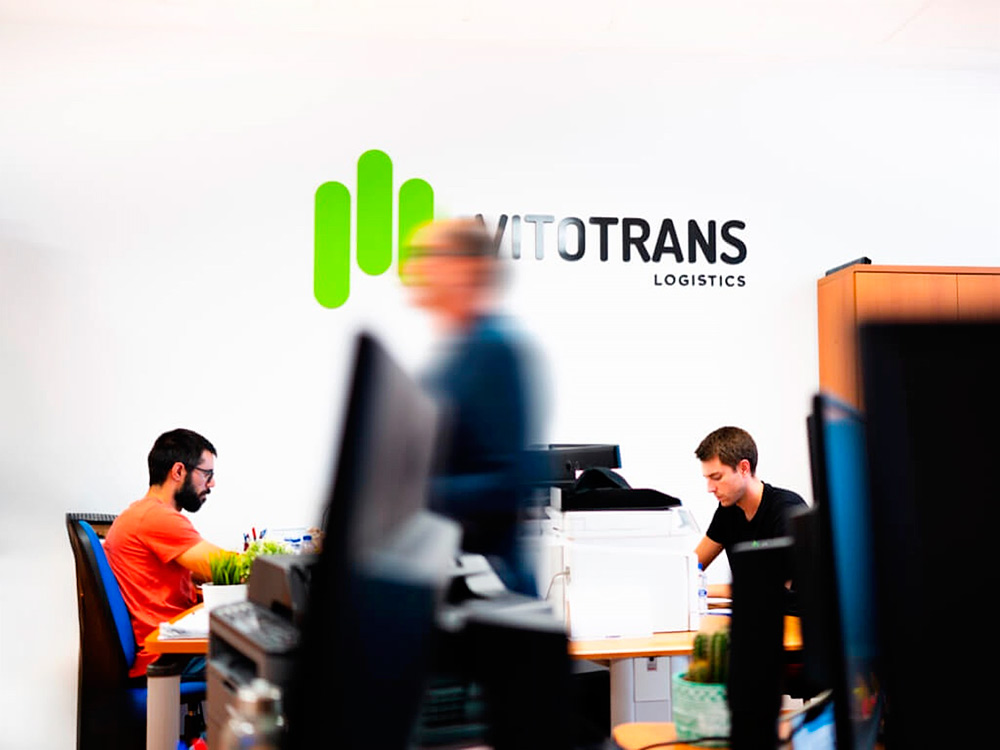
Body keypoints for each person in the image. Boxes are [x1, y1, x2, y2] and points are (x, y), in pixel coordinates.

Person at [403, 216, 540, 597]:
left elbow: (511, 481)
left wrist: (411, 494)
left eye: (429, 255)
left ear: (466, 268)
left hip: (491, 583)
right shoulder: (456, 354)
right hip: (460, 574)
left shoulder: (492, 349)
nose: (416, 267)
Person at [104, 428, 227, 678]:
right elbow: (223, 567)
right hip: (168, 655)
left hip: (170, 646)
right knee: (275, 661)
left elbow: (197, 572)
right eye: (207, 474)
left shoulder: (143, 513)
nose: (212, 483)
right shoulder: (156, 517)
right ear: (179, 471)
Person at [692, 426, 805, 599]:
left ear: (744, 468)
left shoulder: (786, 509)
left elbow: (776, 589)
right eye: (707, 479)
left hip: (788, 614)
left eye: (716, 477)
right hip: (751, 612)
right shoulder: (727, 511)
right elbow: (692, 566)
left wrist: (703, 589)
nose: (710, 488)